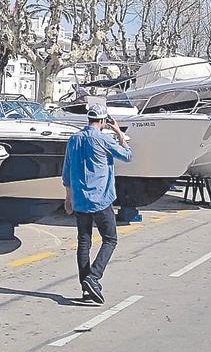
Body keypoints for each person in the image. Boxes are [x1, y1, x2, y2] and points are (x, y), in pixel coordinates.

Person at [63, 103, 132, 305]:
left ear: (89, 118)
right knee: (110, 239)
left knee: (84, 242)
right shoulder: (104, 139)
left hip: (80, 199)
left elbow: (66, 171)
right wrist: (118, 132)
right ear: (103, 120)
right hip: (100, 199)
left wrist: (68, 198)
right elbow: (127, 155)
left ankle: (86, 289)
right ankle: (93, 277)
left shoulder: (74, 139)